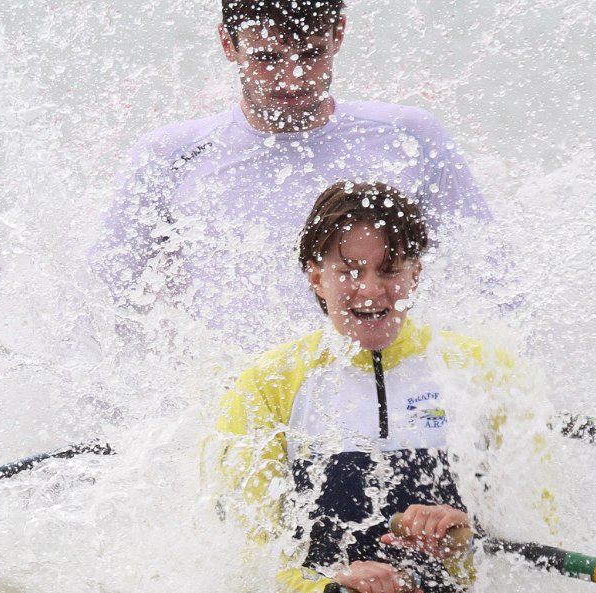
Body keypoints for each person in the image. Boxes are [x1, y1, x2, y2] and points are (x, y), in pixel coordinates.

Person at [208, 180, 554, 593]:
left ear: (416, 271)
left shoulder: (479, 371)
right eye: (349, 270)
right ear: (315, 275)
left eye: (389, 269)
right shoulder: (267, 385)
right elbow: (244, 549)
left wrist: (466, 534)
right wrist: (331, 582)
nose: (371, 290)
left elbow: (536, 524)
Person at [94, 0, 496, 348]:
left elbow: (491, 278)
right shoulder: (169, 156)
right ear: (227, 43)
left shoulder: (410, 138)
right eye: (267, 58)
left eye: (311, 53)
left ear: (338, 33)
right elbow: (104, 302)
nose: (292, 78)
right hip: (236, 409)